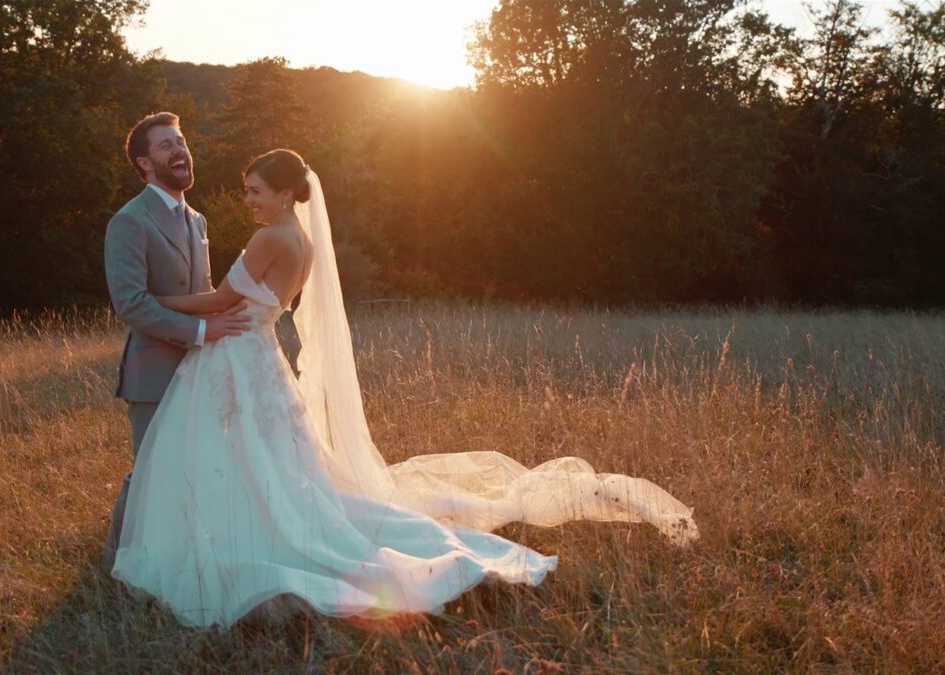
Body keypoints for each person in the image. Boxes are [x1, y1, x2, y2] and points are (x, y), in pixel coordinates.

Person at [110, 148, 699, 630]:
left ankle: (240, 539)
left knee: (248, 461)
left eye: (256, 191)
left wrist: (144, 303)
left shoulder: (270, 240)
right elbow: (266, 306)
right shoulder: (307, 244)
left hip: (236, 356)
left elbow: (218, 302)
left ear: (286, 193)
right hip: (263, 358)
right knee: (274, 465)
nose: (249, 200)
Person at [102, 112, 250, 569]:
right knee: (151, 471)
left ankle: (182, 555)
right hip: (154, 372)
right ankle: (118, 561)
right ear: (145, 164)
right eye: (165, 146)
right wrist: (203, 332)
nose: (180, 151)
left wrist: (236, 311)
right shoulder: (129, 222)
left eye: (181, 141)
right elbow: (131, 303)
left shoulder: (198, 220)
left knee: (198, 467)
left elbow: (199, 292)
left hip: (201, 368)